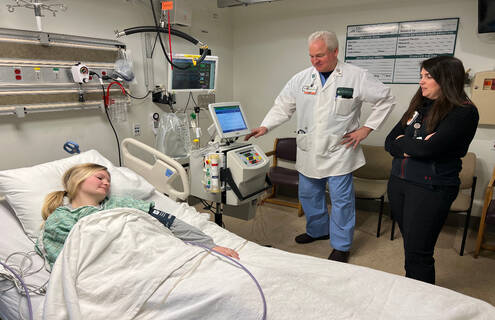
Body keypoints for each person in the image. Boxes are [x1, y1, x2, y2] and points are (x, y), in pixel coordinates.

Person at [245, 31, 395, 262]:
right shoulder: (302, 78)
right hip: (308, 150)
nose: (315, 61)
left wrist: (367, 129)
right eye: (312, 56)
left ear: (335, 52)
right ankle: (317, 231)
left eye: (320, 55)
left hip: (339, 152)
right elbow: (283, 106)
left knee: (342, 201)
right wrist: (265, 127)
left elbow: (386, 99)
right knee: (309, 196)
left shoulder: (357, 77)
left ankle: (342, 245)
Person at [35, 163, 239, 269]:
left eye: (108, 180)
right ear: (78, 180)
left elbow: (169, 222)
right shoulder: (60, 218)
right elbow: (66, 262)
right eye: (100, 177)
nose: (106, 183)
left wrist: (208, 244)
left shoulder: (120, 204)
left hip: (155, 255)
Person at [385, 56, 479, 284]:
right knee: (411, 244)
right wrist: (416, 146)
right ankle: (412, 284)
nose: (422, 82)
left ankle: (422, 301)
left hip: (431, 187)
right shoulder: (419, 106)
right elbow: (389, 142)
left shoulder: (463, 112)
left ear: (446, 79)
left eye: (428, 77)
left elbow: (429, 149)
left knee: (419, 252)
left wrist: (407, 145)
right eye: (421, 76)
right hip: (399, 181)